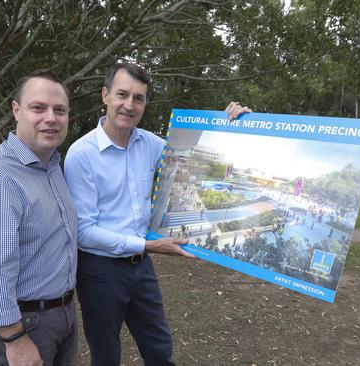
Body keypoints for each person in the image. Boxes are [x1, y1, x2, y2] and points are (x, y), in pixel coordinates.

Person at [63, 62, 250, 365]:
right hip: (99, 271)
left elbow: (197, 157)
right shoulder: (81, 154)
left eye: (139, 98)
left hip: (141, 269)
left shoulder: (151, 144)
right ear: (105, 95)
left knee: (160, 349)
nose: (129, 104)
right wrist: (148, 245)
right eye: (122, 94)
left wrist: (234, 123)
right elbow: (84, 230)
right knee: (105, 354)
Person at [0, 70, 78, 366]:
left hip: (63, 313)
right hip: (24, 324)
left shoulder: (51, 167)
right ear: (16, 110)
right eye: (38, 108)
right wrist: (14, 339)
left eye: (59, 110)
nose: (51, 118)